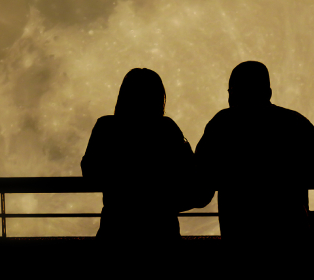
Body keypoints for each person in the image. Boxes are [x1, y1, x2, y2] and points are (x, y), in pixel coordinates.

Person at [195, 61, 314, 245]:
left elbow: (201, 171)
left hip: (239, 231)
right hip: (290, 231)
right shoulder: (294, 122)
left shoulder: (222, 124)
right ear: (268, 92)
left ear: (233, 92)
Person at [81, 68, 214, 248]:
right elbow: (191, 171)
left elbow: (90, 171)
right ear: (159, 97)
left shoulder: (106, 127)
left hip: (116, 230)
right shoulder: (167, 130)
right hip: (161, 232)